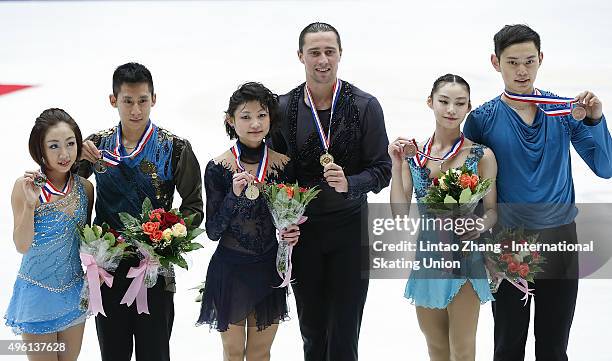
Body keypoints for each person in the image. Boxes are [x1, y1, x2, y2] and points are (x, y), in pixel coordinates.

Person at [463, 24, 612, 361]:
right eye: (512, 62)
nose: (521, 70)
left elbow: (606, 167)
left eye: (529, 61)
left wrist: (597, 119)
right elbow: (471, 191)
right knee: (508, 347)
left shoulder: (562, 110)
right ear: (495, 61)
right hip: (507, 243)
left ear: (541, 59)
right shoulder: (481, 119)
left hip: (560, 240)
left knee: (554, 348)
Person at [268, 22, 392, 361]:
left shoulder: (366, 105)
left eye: (329, 52)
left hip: (350, 232)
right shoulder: (281, 109)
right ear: (300, 56)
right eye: (314, 53)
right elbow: (275, 177)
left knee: (344, 332)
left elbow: (383, 170)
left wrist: (352, 183)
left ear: (340, 54)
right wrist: (283, 219)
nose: (323, 60)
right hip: (304, 235)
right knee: (312, 331)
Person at [78, 62, 204, 361]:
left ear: (154, 98)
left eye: (142, 100)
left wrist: (169, 238)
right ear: (113, 100)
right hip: (107, 267)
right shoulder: (95, 146)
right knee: (113, 352)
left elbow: (194, 206)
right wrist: (73, 162)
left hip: (154, 268)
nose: (136, 109)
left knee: (155, 352)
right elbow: (73, 195)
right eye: (127, 101)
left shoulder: (175, 148)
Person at [389, 74, 498, 361]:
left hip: (465, 257)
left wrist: (479, 224)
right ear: (430, 102)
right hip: (428, 257)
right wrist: (396, 164)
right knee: (436, 349)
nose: (451, 109)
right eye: (444, 101)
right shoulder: (415, 155)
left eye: (459, 103)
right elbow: (399, 213)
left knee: (462, 348)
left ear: (468, 108)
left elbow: (492, 211)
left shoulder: (481, 154)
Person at [197, 82, 299, 361]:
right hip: (230, 270)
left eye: (261, 115)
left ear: (271, 118)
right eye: (245, 116)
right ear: (231, 120)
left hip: (269, 268)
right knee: (233, 353)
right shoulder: (218, 167)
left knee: (260, 352)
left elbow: (289, 216)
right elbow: (213, 231)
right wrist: (234, 194)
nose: (255, 123)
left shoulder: (283, 165)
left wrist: (292, 232)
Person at [6, 108, 94, 361]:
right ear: (40, 149)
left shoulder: (85, 188)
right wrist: (31, 204)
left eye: (70, 144)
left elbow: (85, 242)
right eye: (54, 146)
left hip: (74, 290)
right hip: (37, 294)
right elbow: (21, 245)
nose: (64, 154)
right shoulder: (25, 188)